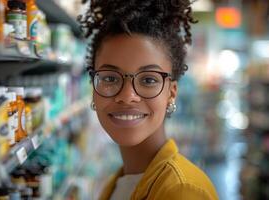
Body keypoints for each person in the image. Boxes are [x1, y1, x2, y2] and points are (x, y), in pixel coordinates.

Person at [78, 0, 219, 199]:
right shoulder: (117, 183)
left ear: (171, 93)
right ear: (93, 88)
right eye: (110, 78)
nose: (127, 96)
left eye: (149, 79)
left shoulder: (182, 191)